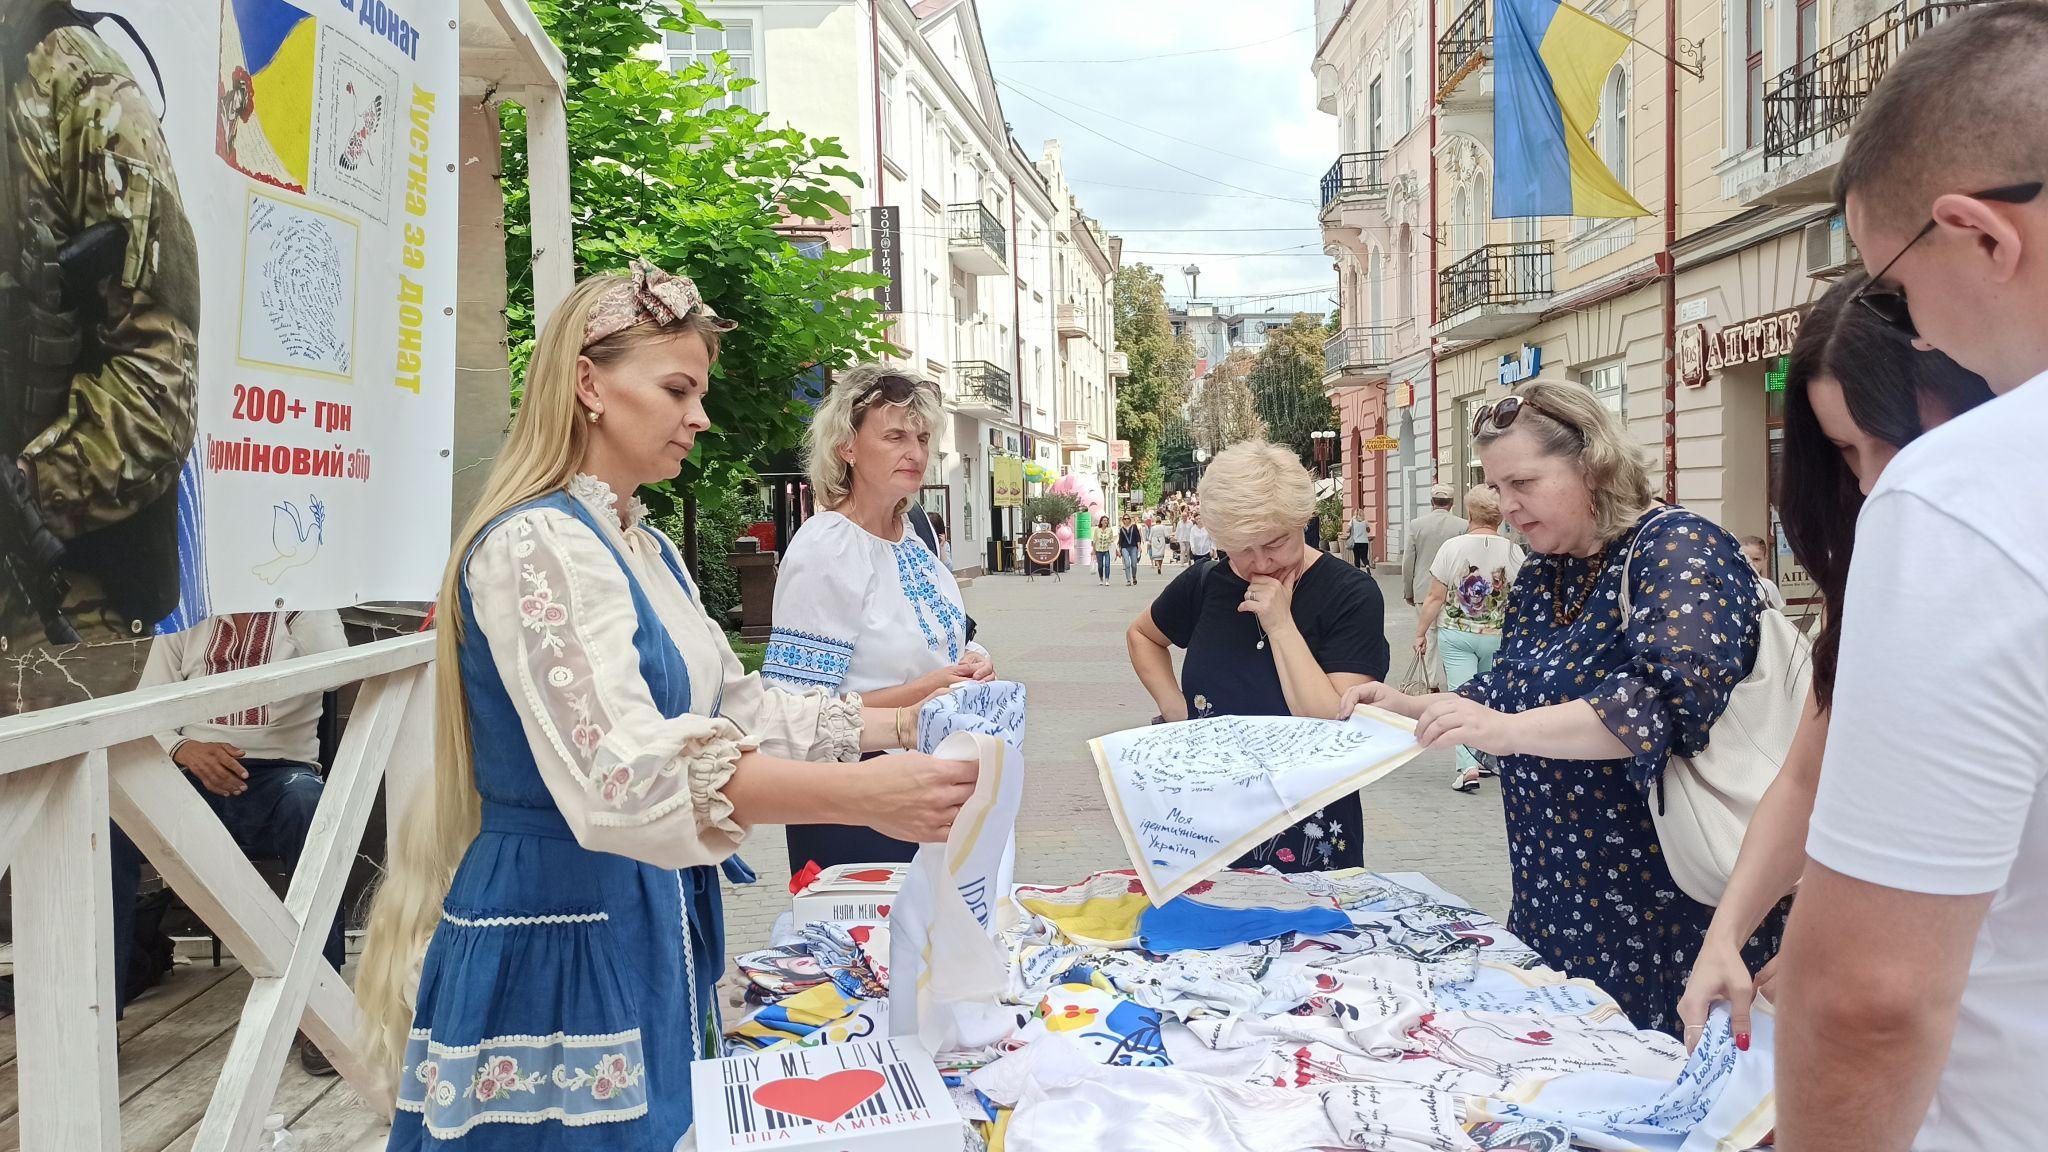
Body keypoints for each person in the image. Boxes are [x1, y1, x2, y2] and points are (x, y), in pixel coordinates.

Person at [356, 263, 977, 1149]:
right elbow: (627, 773)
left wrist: (903, 725)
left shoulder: (641, 546)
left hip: (643, 914)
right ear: (587, 384)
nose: (701, 416)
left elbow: (742, 704)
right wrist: (865, 795)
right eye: (678, 389)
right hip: (558, 932)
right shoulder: (538, 543)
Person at [1772, 9, 2048, 1148]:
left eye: (1887, 285)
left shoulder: (1961, 494)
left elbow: (1871, 999)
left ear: (1977, 236)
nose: (1913, 333)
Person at [1339, 381, 1772, 1034]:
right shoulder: (1549, 569)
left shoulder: (1678, 547)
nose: (1507, 506)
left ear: (1593, 465)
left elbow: (1664, 702)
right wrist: (1407, 705)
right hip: (1558, 907)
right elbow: (1511, 692)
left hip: (1672, 919)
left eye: (1524, 484)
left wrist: (1507, 730)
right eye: (1498, 488)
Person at [1675, 275, 1993, 1053]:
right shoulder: (1878, 572)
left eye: (1897, 443)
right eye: (1850, 452)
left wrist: (1846, 928)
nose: (1876, 480)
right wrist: (1728, 934)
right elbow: (1807, 776)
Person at [0, 6, 199, 710]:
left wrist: (33, 483)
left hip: (48, 602)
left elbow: (160, 383)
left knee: (60, 815)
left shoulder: (79, 86)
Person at [766, 363, 997, 870]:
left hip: (932, 788)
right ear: (846, 447)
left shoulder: (915, 539)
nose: (914, 452)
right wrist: (924, 691)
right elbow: (794, 714)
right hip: (855, 802)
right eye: (894, 436)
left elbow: (943, 641)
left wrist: (975, 662)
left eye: (921, 436)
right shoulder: (826, 546)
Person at [1128, 441, 1389, 871]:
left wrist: (1280, 623)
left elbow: (1331, 717)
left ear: (1302, 521)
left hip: (1309, 823)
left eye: (1275, 543)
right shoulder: (1206, 583)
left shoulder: (1349, 595)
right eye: (1240, 548)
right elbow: (1143, 634)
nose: (1260, 562)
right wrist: (1177, 714)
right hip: (1207, 815)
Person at [122, 609, 350, 1072]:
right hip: (187, 770)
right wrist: (182, 749)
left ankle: (319, 1009)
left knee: (311, 807)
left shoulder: (306, 609)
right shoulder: (186, 612)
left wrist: (302, 600)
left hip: (281, 774)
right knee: (106, 821)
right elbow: (147, 707)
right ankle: (98, 1013)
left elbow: (336, 669)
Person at [1413, 486, 1525, 794]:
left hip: (1457, 633)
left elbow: (1435, 597)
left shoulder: (1452, 547)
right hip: (1497, 635)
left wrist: (1421, 632)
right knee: (1491, 697)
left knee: (1460, 698)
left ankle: (1467, 766)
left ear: (1470, 514)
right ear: (1500, 516)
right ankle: (1487, 755)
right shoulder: (1514, 551)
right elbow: (1522, 599)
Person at [1401, 484, 1468, 608]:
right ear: (1451, 503)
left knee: (1426, 627)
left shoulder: (1416, 525)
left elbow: (1408, 562)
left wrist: (1408, 592)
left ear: (1432, 502)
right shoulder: (1463, 525)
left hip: (1423, 590)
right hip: (1453, 592)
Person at [1737, 536, 1786, 612]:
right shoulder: (1731, 585)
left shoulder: (1768, 586)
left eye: (1756, 559)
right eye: (1745, 559)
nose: (1751, 564)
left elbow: (1777, 617)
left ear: (1765, 559)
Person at [1118, 516, 1144, 586]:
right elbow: (1120, 540)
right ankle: (1128, 580)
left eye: (1127, 518)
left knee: (1134, 564)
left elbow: (1137, 537)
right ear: (1123, 520)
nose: (1126, 520)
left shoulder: (1134, 527)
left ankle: (1134, 576)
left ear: (1130, 519)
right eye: (1124, 519)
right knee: (1126, 563)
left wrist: (1139, 546)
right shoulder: (1122, 529)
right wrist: (1119, 550)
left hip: (1133, 547)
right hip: (1125, 547)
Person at [1093, 511, 1116, 585]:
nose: (1106, 522)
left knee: (1107, 565)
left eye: (1107, 520)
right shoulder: (1097, 530)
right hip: (1099, 550)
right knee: (1100, 566)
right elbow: (1094, 540)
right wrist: (1093, 550)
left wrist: (1111, 541)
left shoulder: (1110, 530)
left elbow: (1112, 539)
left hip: (1107, 549)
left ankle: (1107, 580)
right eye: (1104, 520)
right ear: (1101, 522)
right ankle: (1101, 578)